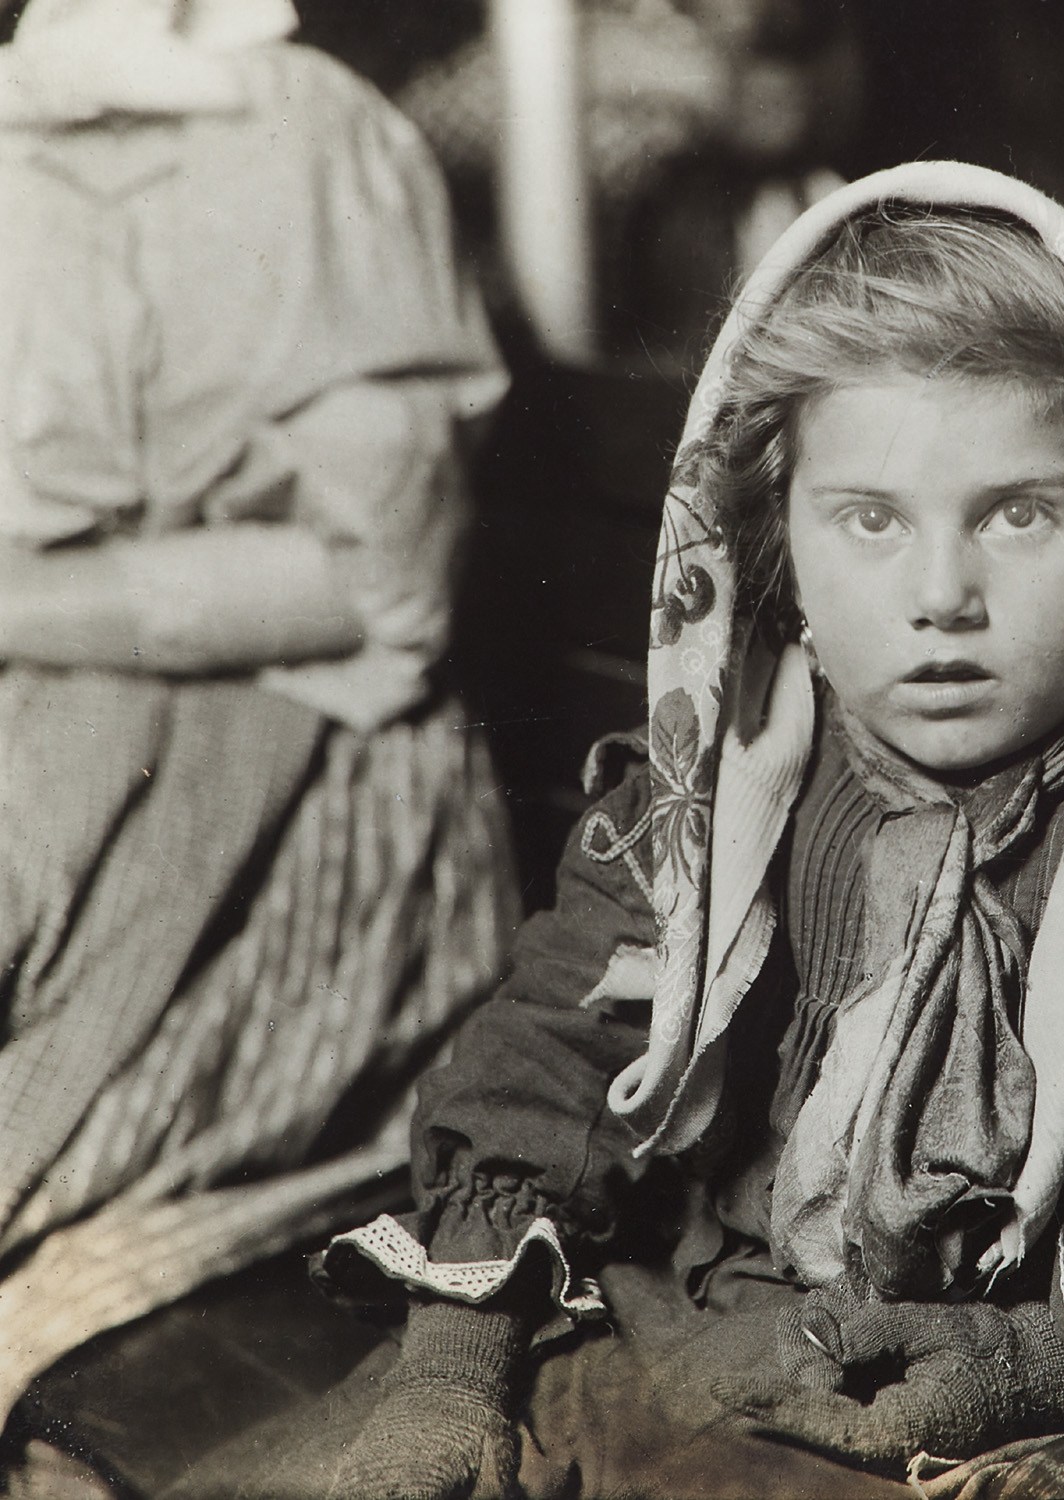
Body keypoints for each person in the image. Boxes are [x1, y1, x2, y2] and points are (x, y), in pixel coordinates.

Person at [196, 161, 1064, 1500]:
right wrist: (453, 1370)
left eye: (1022, 513)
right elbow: (550, 1058)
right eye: (869, 520)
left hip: (981, 1415)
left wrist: (1030, 1364)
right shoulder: (719, 781)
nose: (941, 594)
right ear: (774, 542)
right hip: (659, 1321)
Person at [0, 0, 517, 1436]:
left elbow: (379, 586)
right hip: (58, 730)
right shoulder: (16, 124)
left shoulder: (304, 131)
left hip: (301, 770)